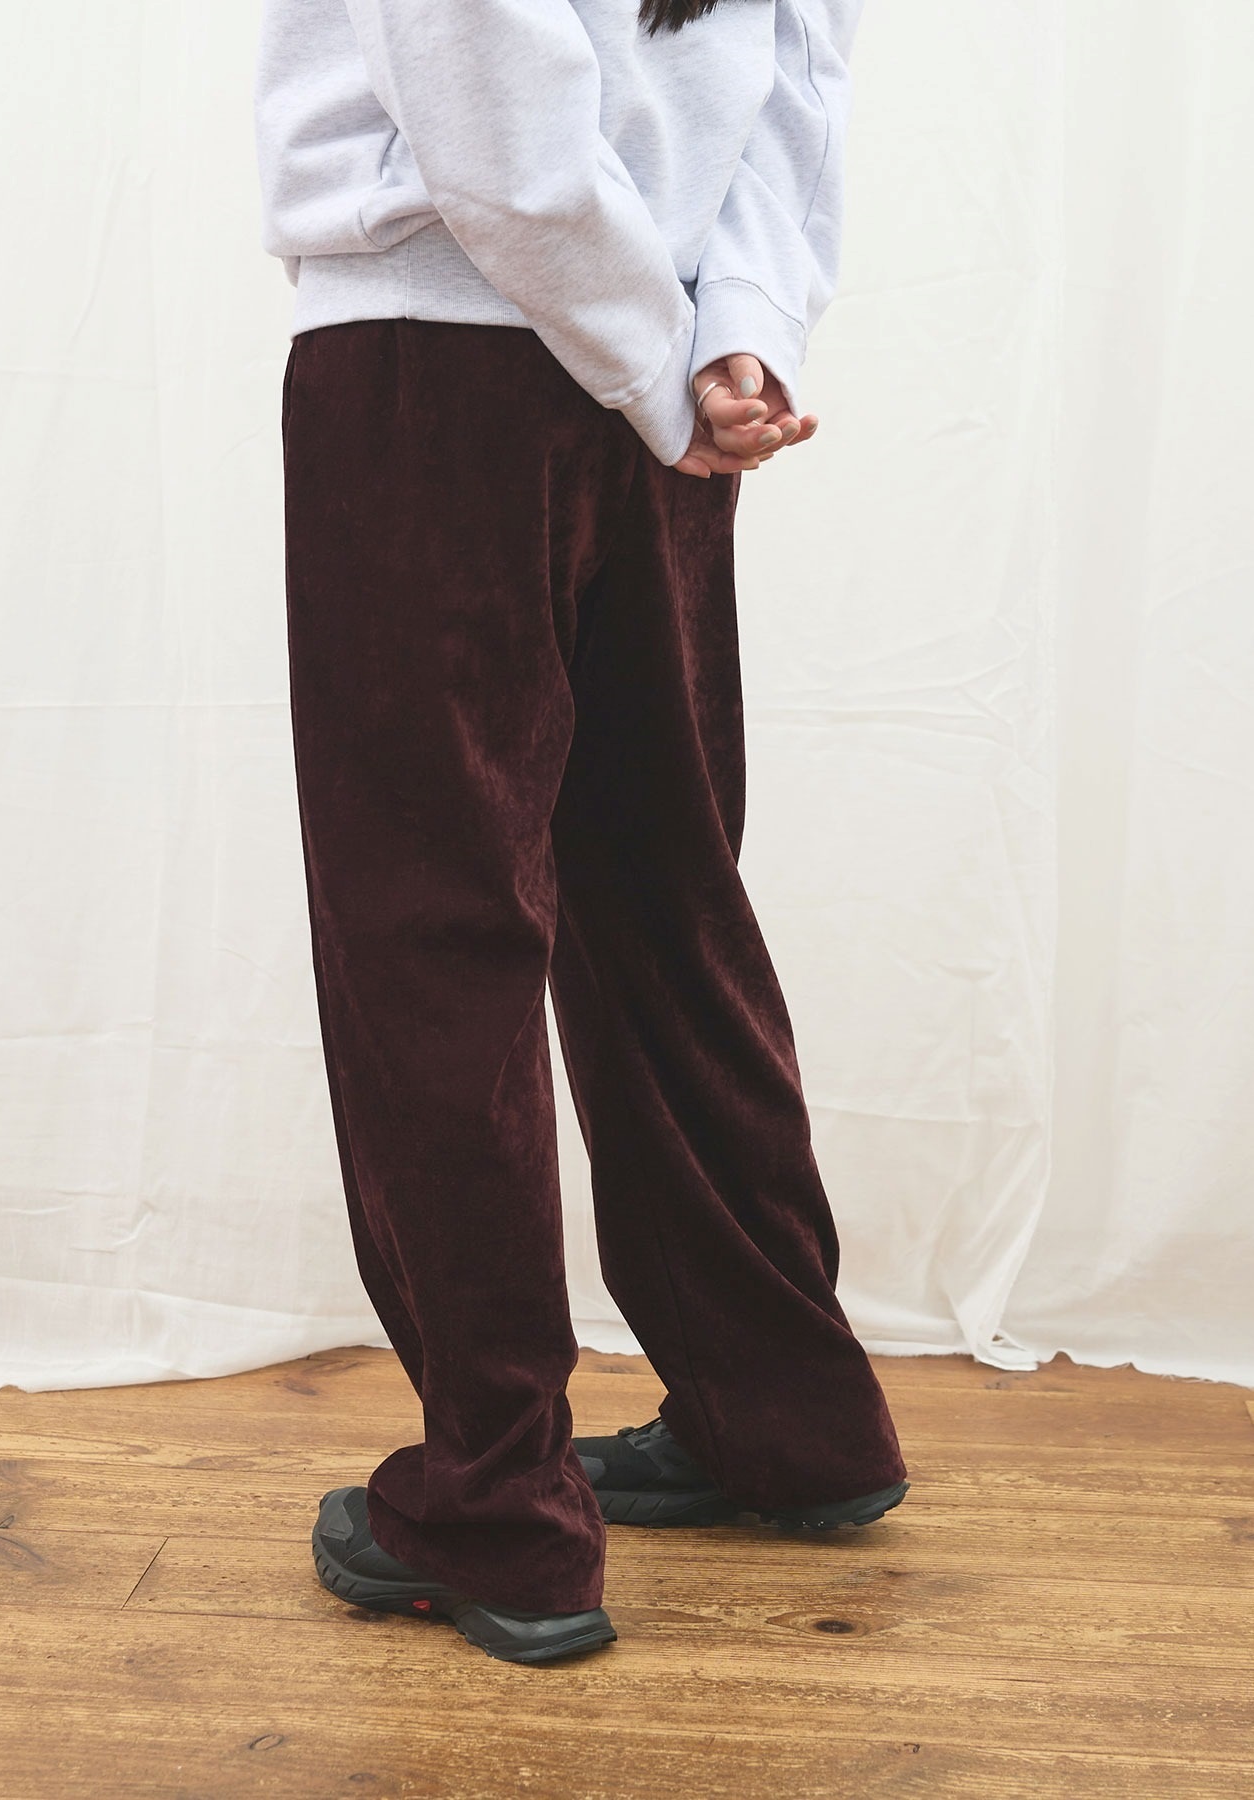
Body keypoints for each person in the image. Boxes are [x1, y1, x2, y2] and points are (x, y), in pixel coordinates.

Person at [254, 0, 908, 1666]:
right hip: (663, 378)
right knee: (662, 900)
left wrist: (658, 357)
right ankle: (786, 1413)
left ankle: (496, 1505)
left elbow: (490, 112)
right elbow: (795, 75)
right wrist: (725, 335)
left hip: (440, 355)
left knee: (434, 934)